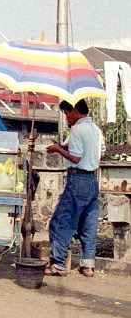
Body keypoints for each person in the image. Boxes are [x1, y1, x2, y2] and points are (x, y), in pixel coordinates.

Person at [45, 99, 105, 278]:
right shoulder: (96, 129)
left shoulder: (77, 129)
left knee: (60, 222)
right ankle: (88, 266)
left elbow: (77, 158)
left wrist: (57, 149)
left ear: (75, 111)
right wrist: (65, 147)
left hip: (78, 179)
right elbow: (100, 153)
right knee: (88, 225)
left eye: (66, 113)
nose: (67, 118)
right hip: (93, 181)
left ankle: (58, 264)